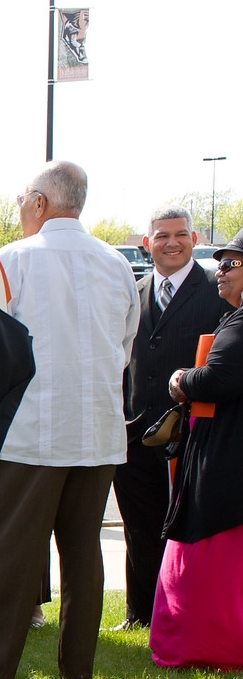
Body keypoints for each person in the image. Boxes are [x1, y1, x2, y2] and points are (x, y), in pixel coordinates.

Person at [0, 162, 139, 679]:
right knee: (84, 558)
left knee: (13, 558)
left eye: (22, 200)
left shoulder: (13, 259)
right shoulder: (117, 264)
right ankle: (76, 671)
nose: (19, 209)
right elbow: (122, 348)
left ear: (39, 203)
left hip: (31, 436)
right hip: (98, 433)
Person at [115, 207, 231, 631]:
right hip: (133, 435)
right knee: (138, 530)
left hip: (191, 437)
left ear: (195, 238)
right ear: (147, 242)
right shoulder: (133, 289)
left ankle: (185, 616)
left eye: (180, 234)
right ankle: (139, 614)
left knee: (184, 534)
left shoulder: (217, 294)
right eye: (161, 235)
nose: (172, 242)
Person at [151, 233, 243, 669]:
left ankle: (209, 643)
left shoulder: (241, 324)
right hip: (223, 447)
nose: (220, 271)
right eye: (220, 262)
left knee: (212, 554)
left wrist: (182, 378)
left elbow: (219, 380)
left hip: (225, 458)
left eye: (230, 264)